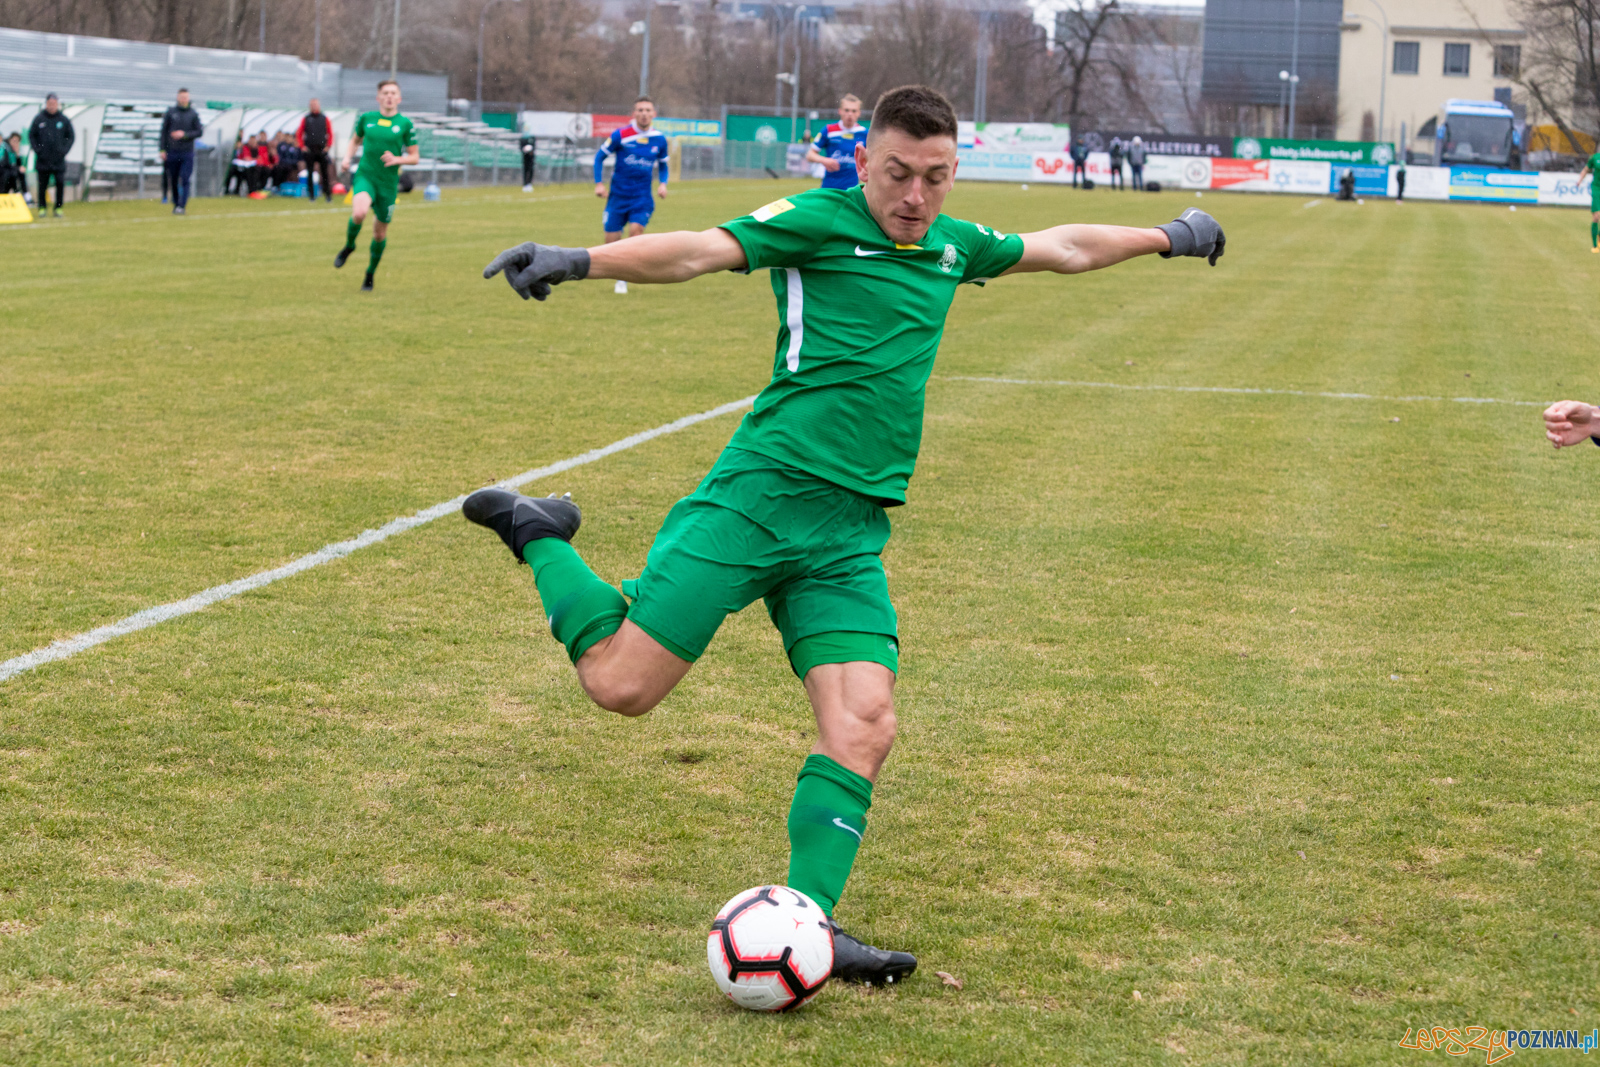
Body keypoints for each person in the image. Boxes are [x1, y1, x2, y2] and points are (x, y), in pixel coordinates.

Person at [474, 84, 1226, 985]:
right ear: (865, 160)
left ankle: (809, 927)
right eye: (898, 173)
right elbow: (700, 251)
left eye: (936, 178)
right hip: (759, 497)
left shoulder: (953, 245)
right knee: (621, 686)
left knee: (864, 725)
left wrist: (1170, 236)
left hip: (848, 531)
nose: (915, 195)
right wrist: (579, 258)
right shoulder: (816, 221)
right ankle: (539, 530)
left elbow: (1063, 246)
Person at [335, 79, 420, 292]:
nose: (389, 96)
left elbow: (415, 156)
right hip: (366, 176)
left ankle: (370, 273)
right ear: (378, 97)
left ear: (399, 98)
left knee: (379, 234)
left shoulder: (405, 124)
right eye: (385, 93)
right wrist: (346, 158)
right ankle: (350, 246)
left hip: (388, 184)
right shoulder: (367, 118)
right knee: (360, 212)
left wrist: (397, 159)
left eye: (393, 93)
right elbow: (355, 141)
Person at [592, 96, 669, 295]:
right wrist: (599, 184)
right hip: (617, 197)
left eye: (648, 110)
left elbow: (663, 164)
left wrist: (663, 184)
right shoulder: (621, 134)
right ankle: (619, 271)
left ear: (654, 114)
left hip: (642, 198)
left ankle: (622, 278)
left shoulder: (659, 139)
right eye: (640, 110)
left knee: (635, 234)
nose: (644, 113)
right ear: (634, 113)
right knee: (611, 242)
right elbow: (600, 157)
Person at [804, 93, 868, 191]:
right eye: (847, 110)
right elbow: (810, 155)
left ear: (859, 113)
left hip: (852, 190)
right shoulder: (829, 130)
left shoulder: (864, 133)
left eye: (854, 111)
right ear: (840, 111)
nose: (850, 114)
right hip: (829, 188)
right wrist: (824, 160)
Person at [159, 88, 204, 215]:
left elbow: (199, 132)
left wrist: (184, 135)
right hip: (172, 151)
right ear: (178, 98)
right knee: (173, 179)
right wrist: (162, 149)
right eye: (182, 97)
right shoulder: (171, 112)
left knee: (185, 178)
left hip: (187, 152)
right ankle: (176, 203)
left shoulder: (193, 114)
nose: (184, 99)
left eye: (186, 97)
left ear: (188, 98)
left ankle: (182, 205)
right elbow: (163, 132)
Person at [29, 93, 74, 218]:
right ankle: (42, 208)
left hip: (58, 160)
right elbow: (32, 135)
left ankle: (58, 208)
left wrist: (63, 150)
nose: (52, 106)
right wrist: (38, 150)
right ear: (46, 104)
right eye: (50, 103)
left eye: (54, 103)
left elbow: (70, 137)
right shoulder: (39, 119)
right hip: (43, 160)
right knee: (42, 185)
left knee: (60, 183)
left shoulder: (63, 120)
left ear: (57, 104)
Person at [298, 99, 334, 201]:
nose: (314, 106)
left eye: (315, 104)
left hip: (322, 149)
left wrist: (328, 146)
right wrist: (302, 146)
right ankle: (311, 196)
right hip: (310, 150)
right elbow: (299, 133)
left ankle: (327, 195)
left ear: (319, 105)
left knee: (325, 173)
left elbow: (330, 133)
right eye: (312, 104)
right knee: (310, 173)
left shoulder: (324, 118)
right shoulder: (306, 118)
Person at [1579, 149, 1600, 251]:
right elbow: (1585, 170)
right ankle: (1595, 245)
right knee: (1596, 216)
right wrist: (1579, 181)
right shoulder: (1595, 158)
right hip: (1597, 189)